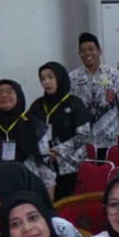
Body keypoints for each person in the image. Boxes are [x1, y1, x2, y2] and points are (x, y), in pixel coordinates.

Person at [0, 78, 55, 197]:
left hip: (26, 186)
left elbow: (45, 164)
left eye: (10, 91)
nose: (4, 95)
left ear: (19, 95)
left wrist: (49, 202)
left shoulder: (33, 124)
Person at [34, 60, 93, 199]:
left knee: (65, 204)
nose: (46, 82)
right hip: (43, 165)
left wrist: (58, 151)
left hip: (68, 165)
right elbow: (30, 132)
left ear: (60, 78)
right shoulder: (38, 105)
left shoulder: (75, 103)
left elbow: (84, 136)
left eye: (50, 77)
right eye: (43, 79)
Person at [72, 32, 119, 150]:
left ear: (99, 51)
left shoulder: (114, 76)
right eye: (83, 50)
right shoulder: (72, 78)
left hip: (111, 140)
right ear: (79, 54)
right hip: (83, 142)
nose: (87, 53)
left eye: (91, 49)